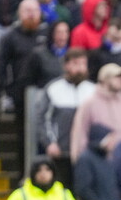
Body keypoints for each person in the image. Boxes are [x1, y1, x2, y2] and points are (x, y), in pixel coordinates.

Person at [34, 47, 96, 187]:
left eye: (83, 64)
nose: (80, 68)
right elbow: (42, 119)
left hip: (86, 153)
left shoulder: (93, 90)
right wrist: (49, 143)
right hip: (61, 153)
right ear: (66, 65)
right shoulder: (54, 88)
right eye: (75, 63)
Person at [0, 0, 47, 126]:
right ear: (20, 13)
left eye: (35, 10)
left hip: (45, 89)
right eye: (27, 11)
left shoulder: (47, 34)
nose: (31, 14)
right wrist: (8, 90)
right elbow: (1, 66)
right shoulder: (10, 37)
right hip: (21, 93)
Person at [70, 63, 121, 162]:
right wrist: (79, 161)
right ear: (104, 79)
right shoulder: (89, 104)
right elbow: (80, 134)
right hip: (101, 162)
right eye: (117, 76)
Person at [1, 157, 82, 200]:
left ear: (53, 173)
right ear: (33, 173)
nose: (43, 174)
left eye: (47, 169)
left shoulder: (65, 195)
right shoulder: (20, 195)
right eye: (39, 170)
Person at [72, 122, 121, 200]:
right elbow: (83, 188)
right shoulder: (85, 159)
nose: (113, 142)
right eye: (110, 139)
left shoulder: (106, 160)